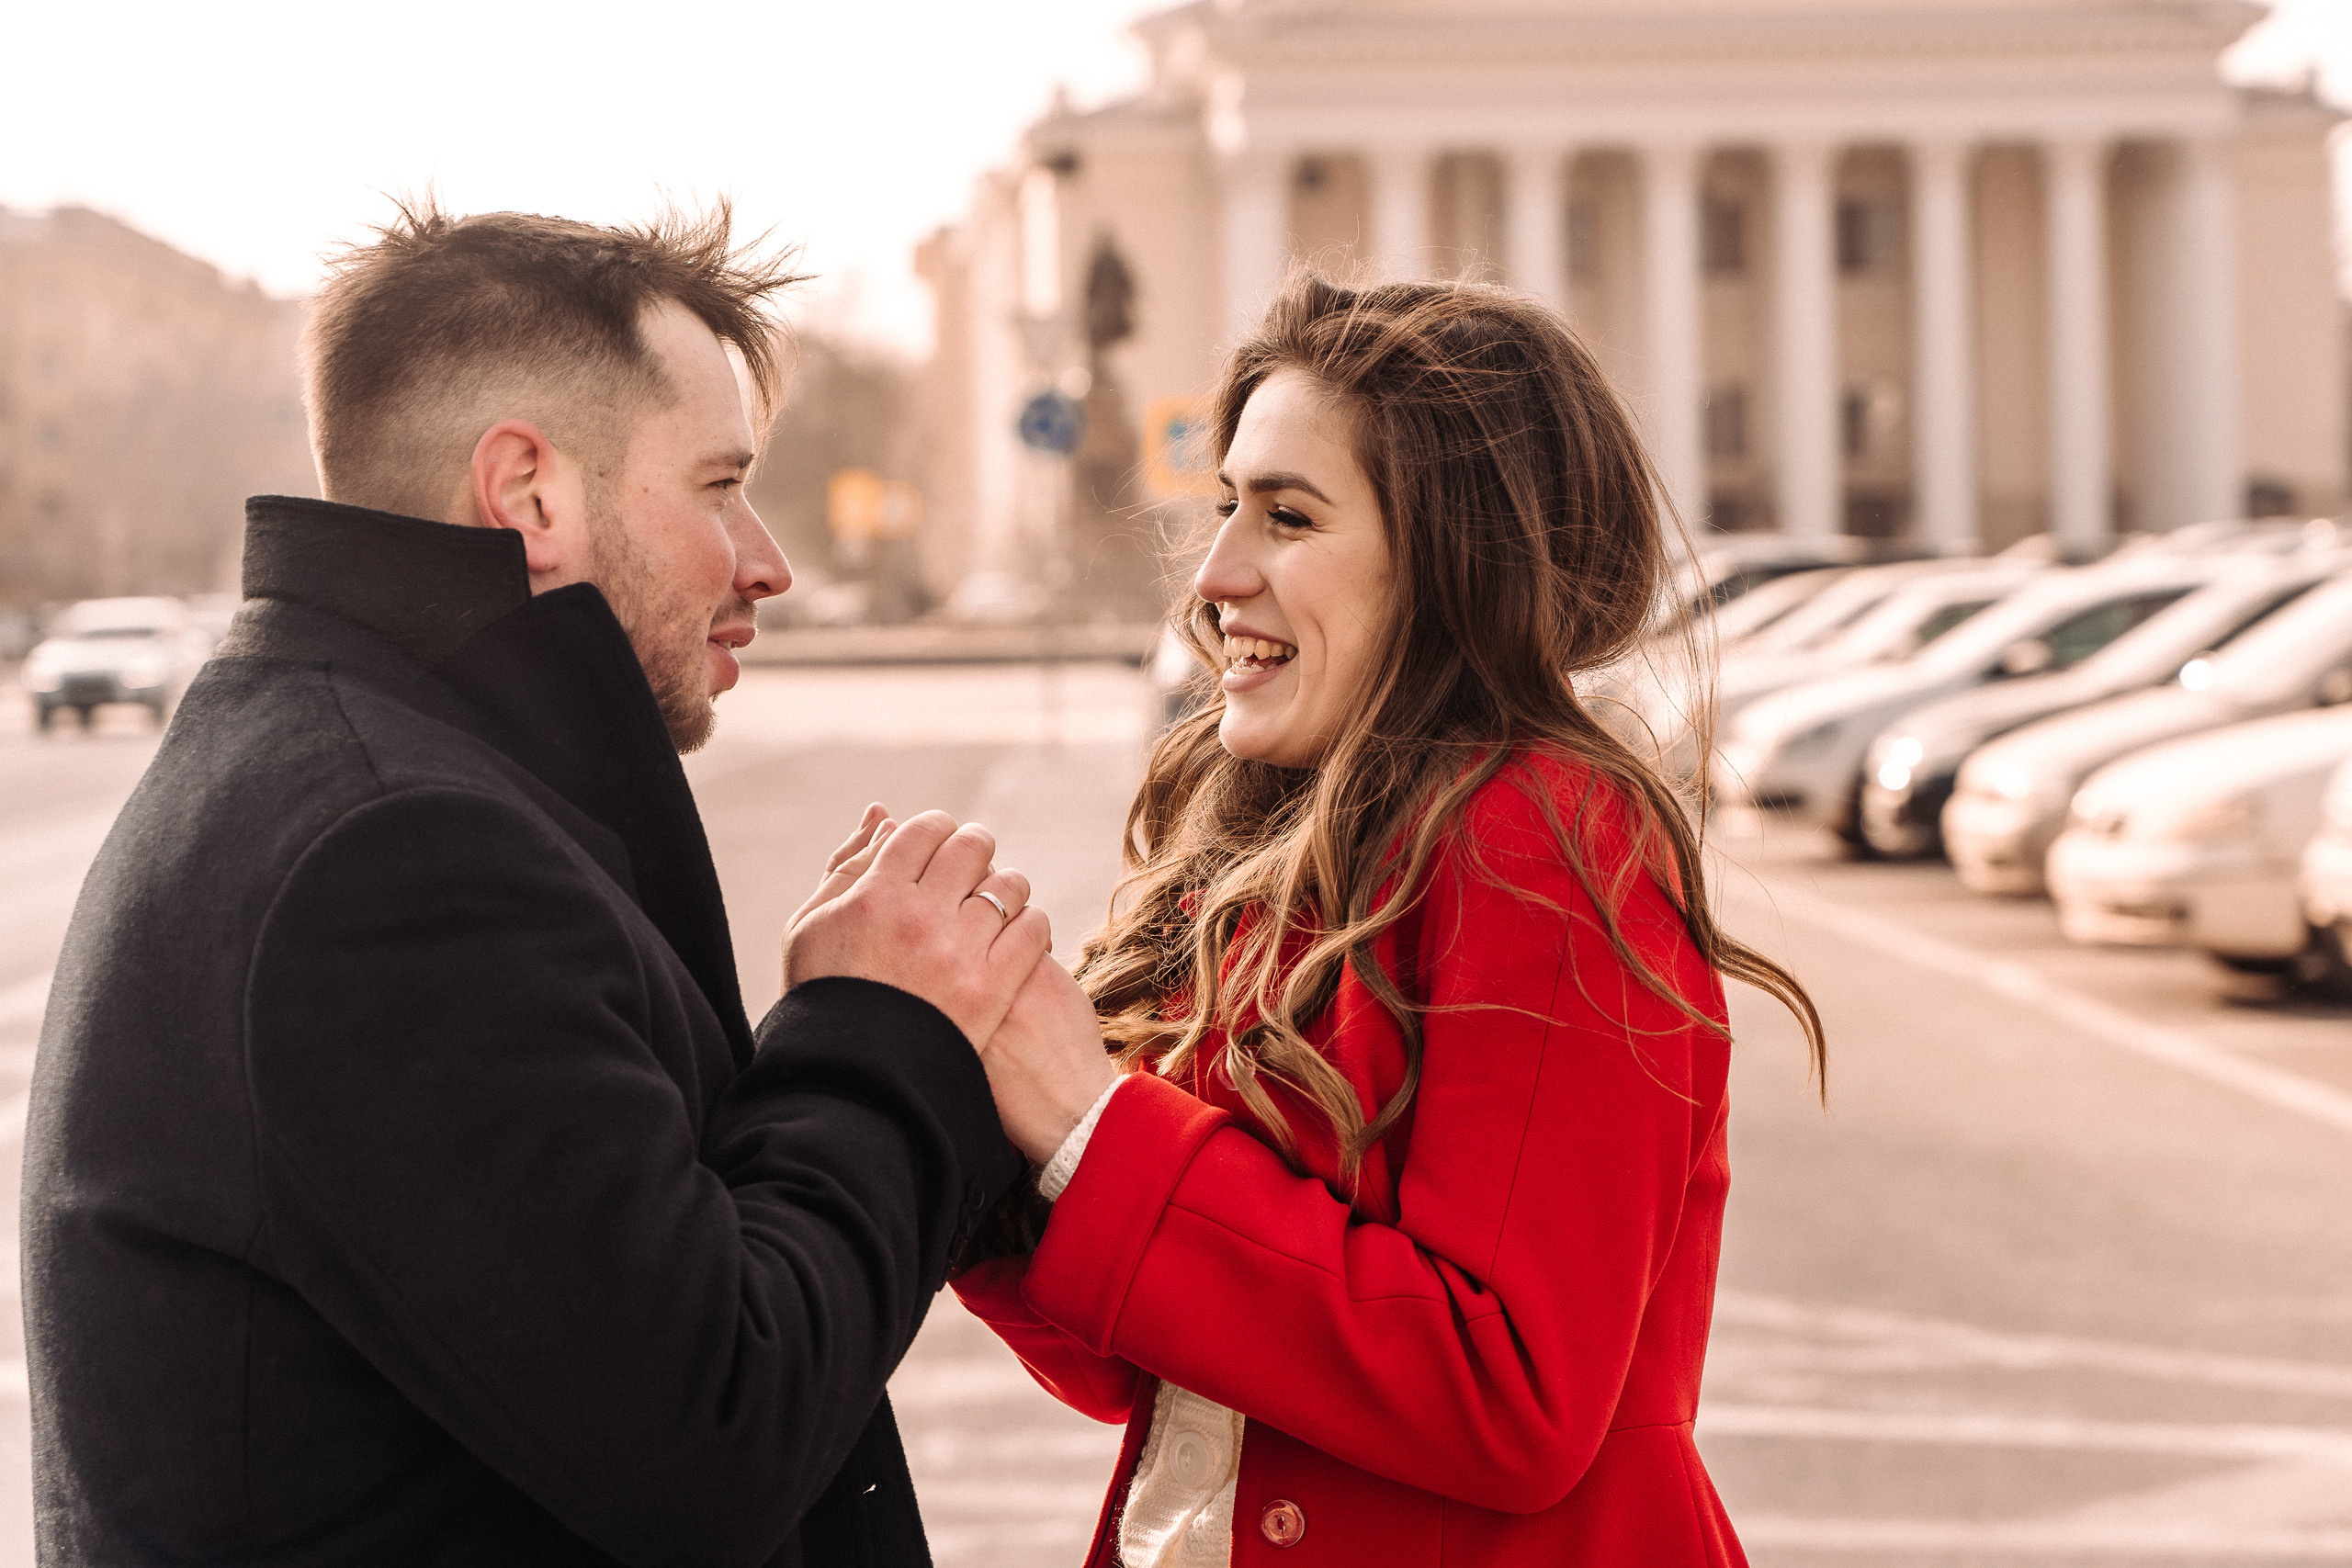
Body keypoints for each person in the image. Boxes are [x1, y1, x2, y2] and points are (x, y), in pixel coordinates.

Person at [21, 202, 1045, 1566]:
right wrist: (883, 1025)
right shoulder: (390, 860)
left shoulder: (360, 777)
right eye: (718, 486)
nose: (766, 561)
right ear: (529, 494)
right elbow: (713, 1427)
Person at [951, 275, 1826, 1565]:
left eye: (1289, 517)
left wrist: (1091, 1122)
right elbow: (1161, 1367)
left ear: (1456, 557)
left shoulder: (1542, 830)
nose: (1216, 575)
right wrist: (980, 1141)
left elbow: (1513, 1394)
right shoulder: (1288, 843)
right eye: (1226, 506)